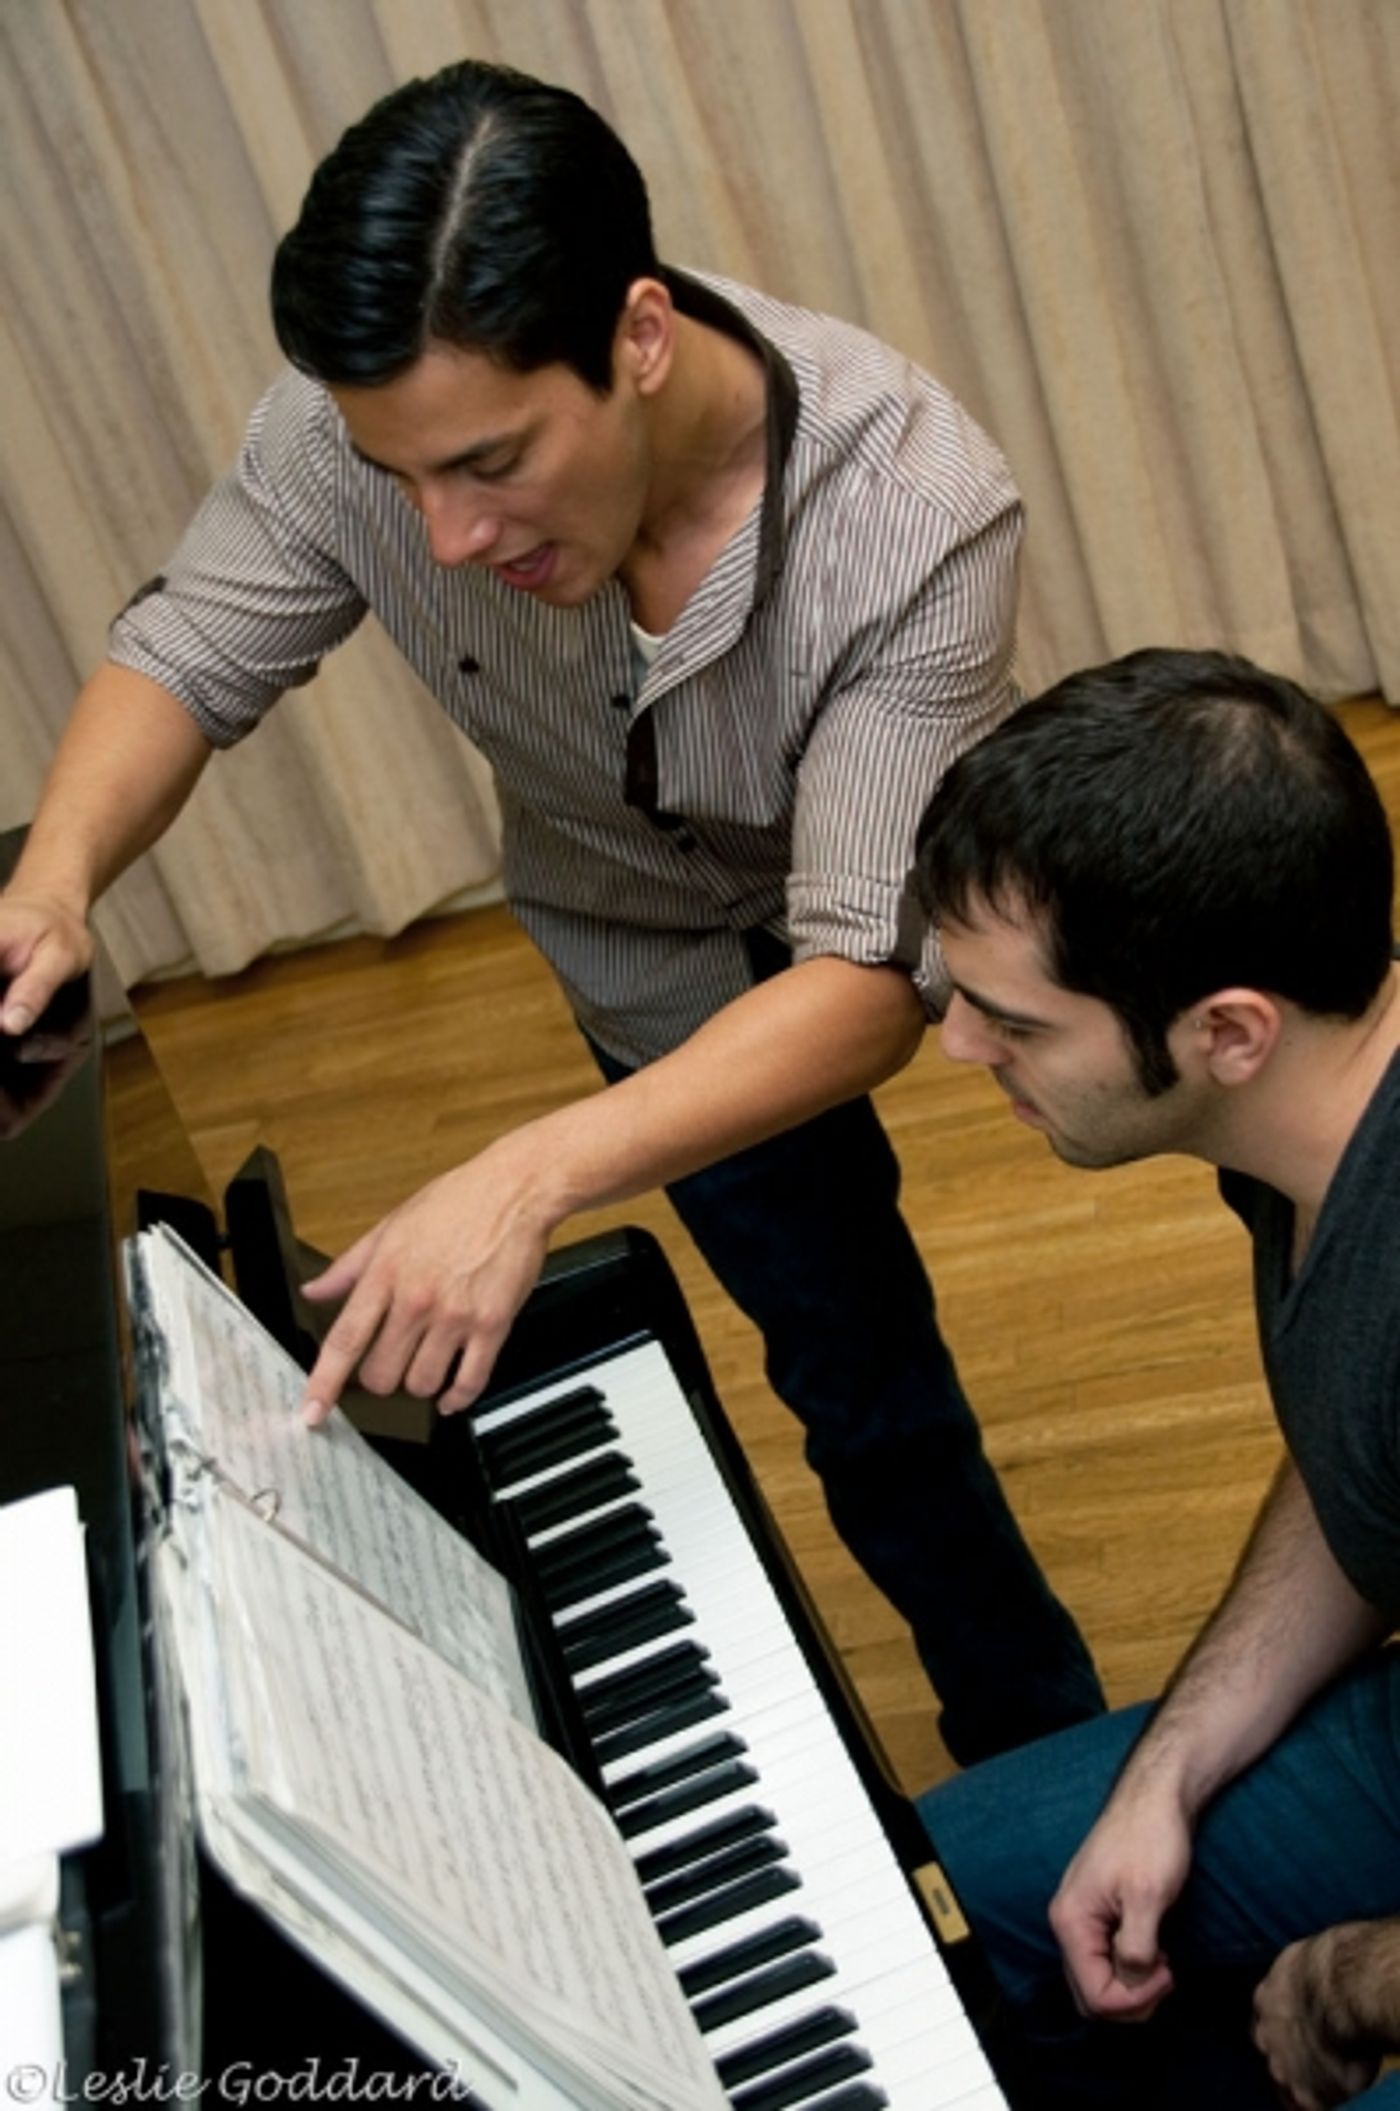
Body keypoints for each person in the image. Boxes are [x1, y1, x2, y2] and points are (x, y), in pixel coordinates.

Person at [0, 58, 1102, 1766]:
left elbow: (864, 976)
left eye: (493, 465)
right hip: (641, 954)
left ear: (640, 335)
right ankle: (1028, 1737)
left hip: (866, 934)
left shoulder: (911, 511)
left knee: (885, 1390)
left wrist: (522, 1176)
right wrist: (55, 880)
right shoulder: (368, 432)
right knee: (852, 1368)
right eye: (404, 479)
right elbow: (185, 654)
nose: (444, 536)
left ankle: (1045, 1753)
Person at [910, 646, 1400, 2107]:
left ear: (1229, 1032)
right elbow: (1360, 1463)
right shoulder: (1313, 1132)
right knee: (934, 1886)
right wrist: (1169, 1771)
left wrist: (1361, 1977)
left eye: (1015, 1019)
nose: (957, 1044)